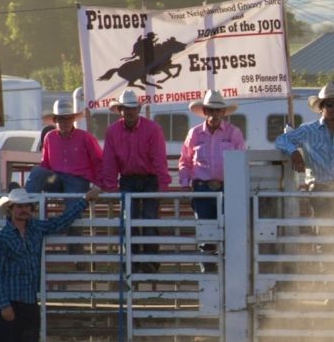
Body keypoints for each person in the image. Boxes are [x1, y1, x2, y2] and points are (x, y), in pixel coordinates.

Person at [0, 185, 103, 342]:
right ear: (10, 209)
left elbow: (60, 222)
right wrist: (3, 304)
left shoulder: (34, 229)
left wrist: (84, 200)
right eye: (19, 206)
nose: (23, 210)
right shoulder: (1, 238)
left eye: (26, 206)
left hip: (28, 298)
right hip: (10, 299)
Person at [99, 89, 171, 271]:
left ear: (138, 109)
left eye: (132, 108)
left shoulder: (152, 129)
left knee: (148, 220)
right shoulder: (113, 131)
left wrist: (162, 184)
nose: (129, 112)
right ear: (120, 110)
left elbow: (159, 158)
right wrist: (110, 187)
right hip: (129, 179)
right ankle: (132, 261)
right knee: (128, 221)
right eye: (126, 108)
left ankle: (149, 262)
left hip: (148, 179)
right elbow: (109, 161)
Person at [178, 90, 247, 271]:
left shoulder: (234, 133)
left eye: (218, 110)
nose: (215, 114)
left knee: (229, 233)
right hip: (202, 189)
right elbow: (184, 161)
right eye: (211, 110)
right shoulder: (194, 133)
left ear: (223, 112)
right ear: (205, 111)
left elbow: (241, 161)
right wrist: (185, 185)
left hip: (227, 189)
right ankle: (209, 275)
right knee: (206, 234)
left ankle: (228, 273)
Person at [25, 98, 102, 194]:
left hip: (78, 179)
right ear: (55, 120)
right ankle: (26, 203)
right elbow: (45, 164)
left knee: (73, 206)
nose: (66, 122)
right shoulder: (49, 137)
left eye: (69, 118)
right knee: (38, 171)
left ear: (73, 119)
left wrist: (98, 185)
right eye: (61, 119)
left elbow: (99, 161)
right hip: (56, 179)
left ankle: (26, 202)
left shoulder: (85, 137)